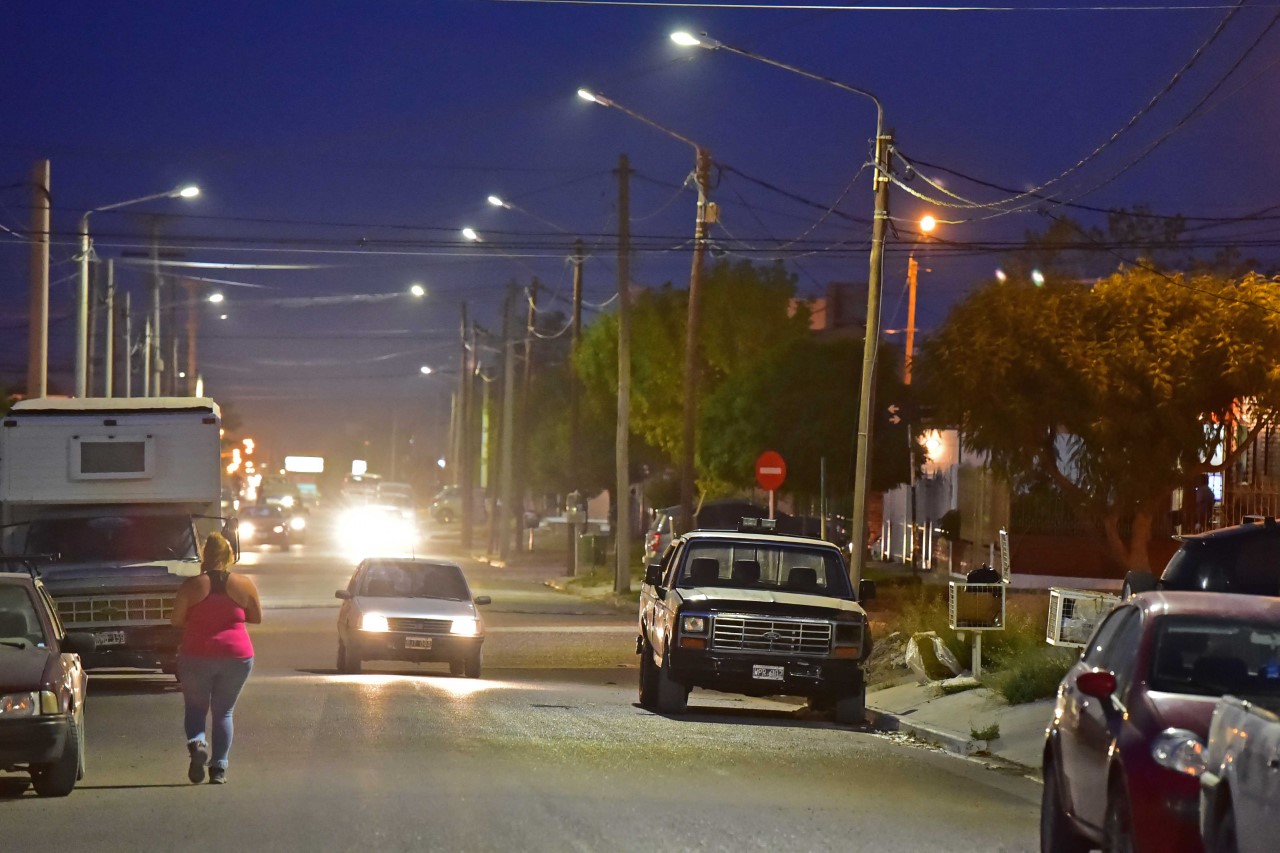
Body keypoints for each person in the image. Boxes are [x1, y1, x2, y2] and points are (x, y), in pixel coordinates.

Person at [171, 532, 261, 785]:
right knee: (224, 712)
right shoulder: (244, 585)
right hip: (237, 655)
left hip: (197, 654)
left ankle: (198, 744)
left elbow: (176, 620)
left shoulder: (192, 586)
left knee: (196, 708)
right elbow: (256, 617)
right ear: (230, 556)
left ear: (204, 555)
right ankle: (219, 768)